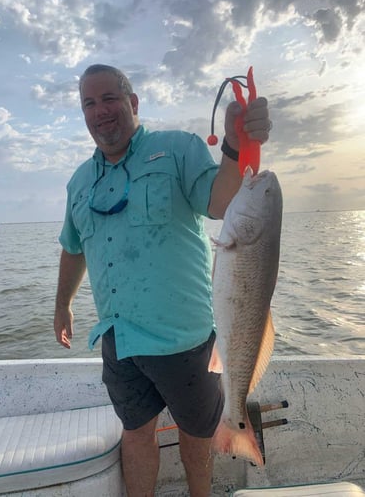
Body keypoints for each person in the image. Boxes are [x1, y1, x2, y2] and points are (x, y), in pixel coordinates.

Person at [54, 64, 271, 497]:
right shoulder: (79, 181)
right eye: (89, 104)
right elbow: (74, 246)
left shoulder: (177, 150)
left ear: (133, 103)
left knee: (195, 434)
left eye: (110, 98)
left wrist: (235, 144)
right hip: (119, 339)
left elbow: (223, 202)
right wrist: (62, 305)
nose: (101, 111)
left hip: (183, 340)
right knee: (135, 432)